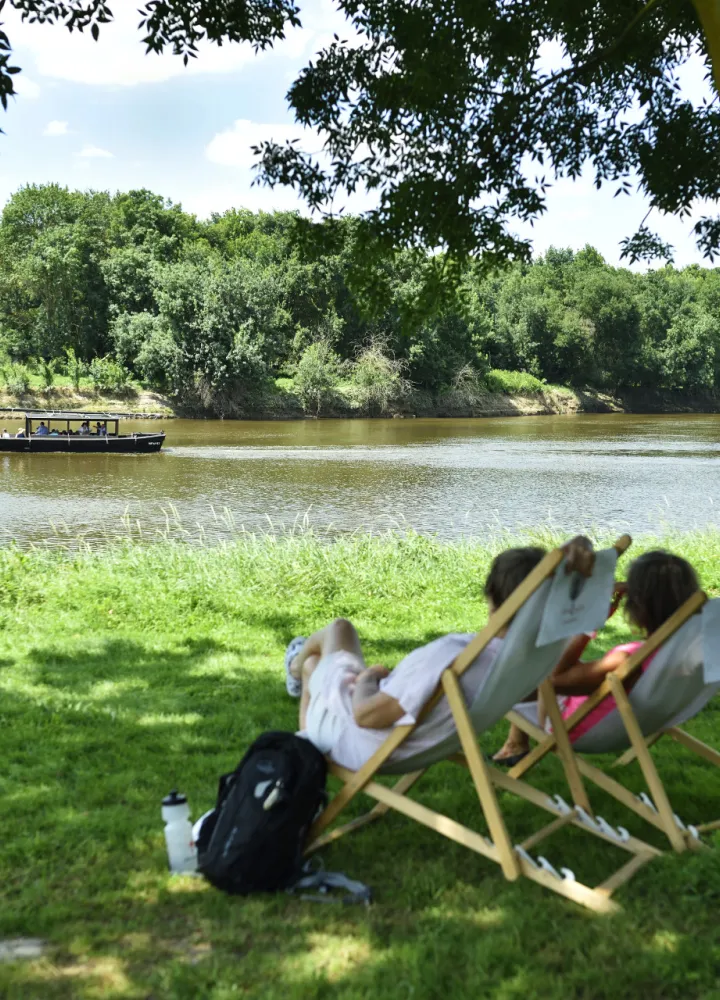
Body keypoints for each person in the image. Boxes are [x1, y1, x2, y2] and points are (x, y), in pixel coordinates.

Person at [285, 536, 595, 771]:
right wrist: (578, 551)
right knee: (314, 664)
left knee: (339, 630)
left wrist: (368, 677)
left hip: (364, 744)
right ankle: (301, 680)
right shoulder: (537, 652)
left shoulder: (453, 656)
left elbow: (365, 716)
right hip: (424, 741)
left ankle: (295, 672)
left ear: (491, 596)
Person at [492, 550, 700, 764]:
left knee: (525, 668)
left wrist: (590, 622)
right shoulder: (688, 649)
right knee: (535, 669)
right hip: (639, 722)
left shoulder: (627, 659)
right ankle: (515, 745)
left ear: (638, 607)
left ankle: (514, 744)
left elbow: (554, 679)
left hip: (573, 727)